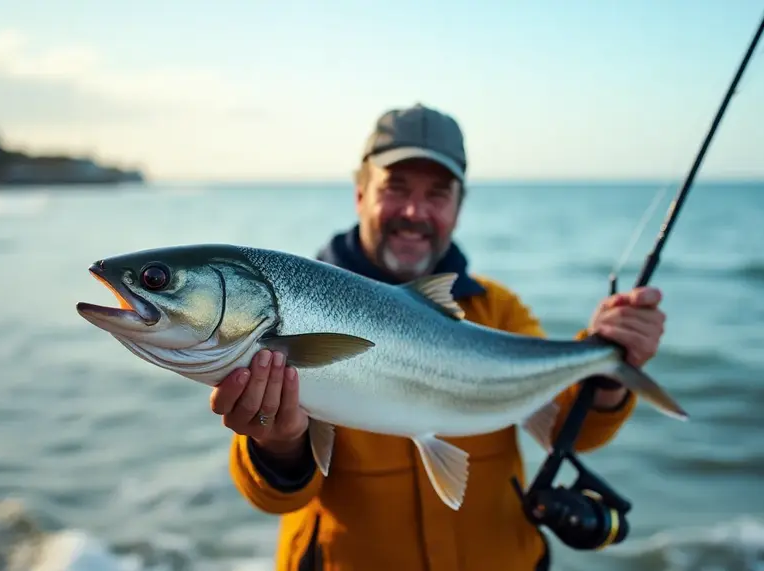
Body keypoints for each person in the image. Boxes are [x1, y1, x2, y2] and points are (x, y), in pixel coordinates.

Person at [209, 103, 667, 571]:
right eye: (396, 188)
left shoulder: (497, 309)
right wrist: (279, 444)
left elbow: (564, 429)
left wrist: (607, 369)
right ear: (361, 194)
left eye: (437, 194)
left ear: (458, 207)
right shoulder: (293, 309)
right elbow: (273, 500)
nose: (414, 211)